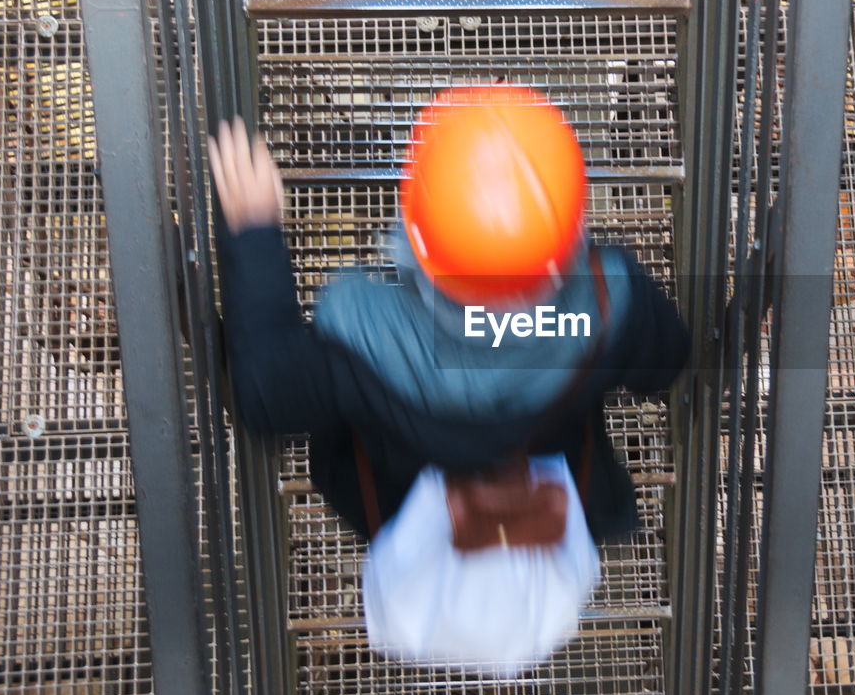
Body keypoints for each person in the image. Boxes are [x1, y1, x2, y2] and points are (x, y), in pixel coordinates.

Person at [206, 94, 689, 549]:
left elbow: (264, 396)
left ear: (414, 232)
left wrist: (253, 234)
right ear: (572, 233)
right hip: (559, 512)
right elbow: (666, 366)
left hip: (399, 521)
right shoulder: (610, 299)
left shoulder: (357, 332)